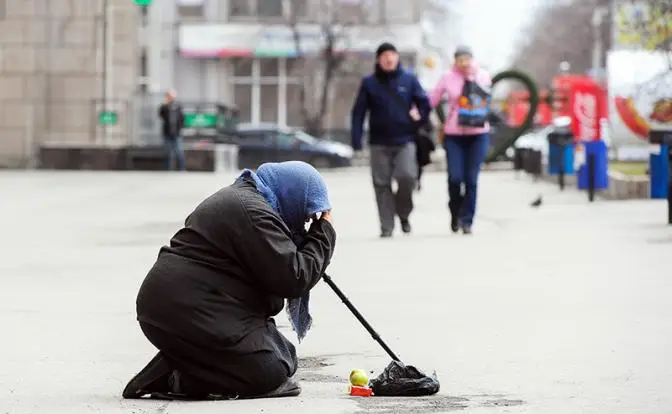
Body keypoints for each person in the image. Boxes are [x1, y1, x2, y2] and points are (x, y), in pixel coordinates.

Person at [122, 161, 336, 400]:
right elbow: (294, 278)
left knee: (286, 353)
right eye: (307, 214)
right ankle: (179, 376)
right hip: (191, 311)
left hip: (180, 310)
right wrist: (323, 233)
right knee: (272, 371)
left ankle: (182, 358)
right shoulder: (255, 214)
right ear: (293, 195)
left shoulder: (246, 201)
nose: (306, 223)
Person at [351, 42, 431, 238]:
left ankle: (403, 213)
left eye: (392, 55)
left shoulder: (409, 80)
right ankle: (386, 226)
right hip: (378, 142)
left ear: (397, 57)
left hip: (405, 139)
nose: (389, 58)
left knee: (407, 177)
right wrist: (356, 139)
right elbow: (358, 113)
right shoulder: (369, 83)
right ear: (379, 60)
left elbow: (425, 103)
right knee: (381, 184)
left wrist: (419, 115)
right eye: (384, 55)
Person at [429, 46, 492, 235]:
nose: (465, 62)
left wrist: (471, 77)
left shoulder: (483, 75)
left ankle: (467, 221)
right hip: (454, 134)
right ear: (455, 61)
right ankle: (455, 211)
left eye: (467, 59)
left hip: (478, 133)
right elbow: (433, 99)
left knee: (471, 179)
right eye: (460, 59)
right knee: (455, 178)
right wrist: (416, 110)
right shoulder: (447, 77)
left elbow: (486, 97)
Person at [158, 89, 186, 171]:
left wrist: (180, 127)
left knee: (179, 151)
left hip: (176, 132)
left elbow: (182, 118)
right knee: (167, 152)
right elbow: (160, 115)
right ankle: (167, 169)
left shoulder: (178, 105)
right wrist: (164, 104)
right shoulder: (164, 106)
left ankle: (181, 168)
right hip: (167, 132)